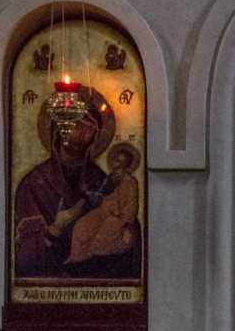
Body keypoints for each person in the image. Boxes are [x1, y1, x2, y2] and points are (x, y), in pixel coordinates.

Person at [14, 106, 140, 280]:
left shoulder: (100, 178)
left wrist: (125, 233)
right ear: (59, 129)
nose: (83, 134)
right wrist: (56, 229)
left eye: (90, 129)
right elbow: (24, 258)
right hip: (50, 283)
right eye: (77, 125)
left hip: (95, 278)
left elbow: (128, 229)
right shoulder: (34, 184)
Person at [66, 144, 140, 266]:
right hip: (102, 212)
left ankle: (87, 258)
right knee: (81, 226)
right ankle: (75, 257)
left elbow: (131, 207)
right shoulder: (110, 178)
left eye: (121, 161)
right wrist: (89, 194)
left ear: (126, 164)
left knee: (105, 231)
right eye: (116, 159)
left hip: (118, 217)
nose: (116, 163)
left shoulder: (130, 182)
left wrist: (124, 221)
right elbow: (101, 195)